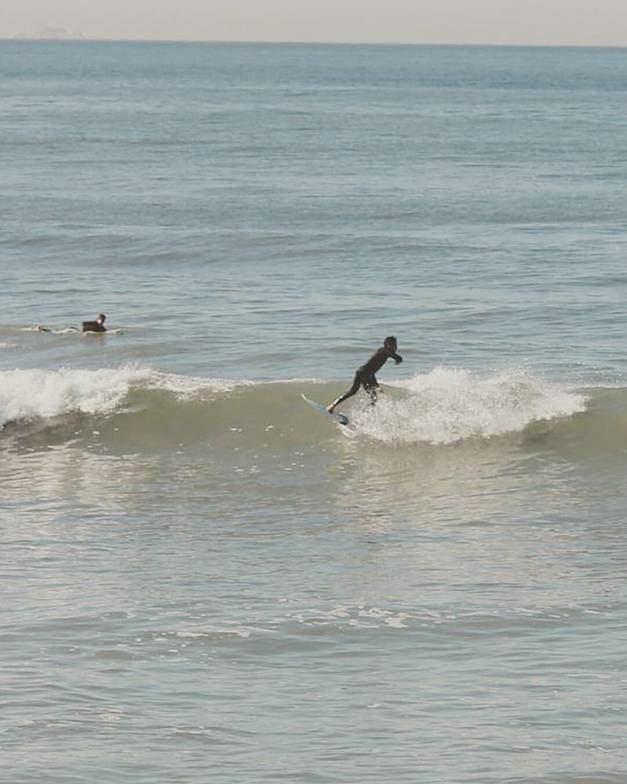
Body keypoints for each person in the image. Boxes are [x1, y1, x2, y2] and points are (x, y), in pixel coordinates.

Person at [327, 336, 403, 413]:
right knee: (369, 396)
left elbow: (372, 371)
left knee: (365, 395)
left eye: (395, 345)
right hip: (364, 373)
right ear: (386, 345)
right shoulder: (383, 351)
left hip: (364, 372)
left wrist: (376, 385)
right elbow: (397, 357)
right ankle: (334, 406)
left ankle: (334, 406)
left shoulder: (384, 352)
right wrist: (398, 358)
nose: (394, 347)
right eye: (392, 345)